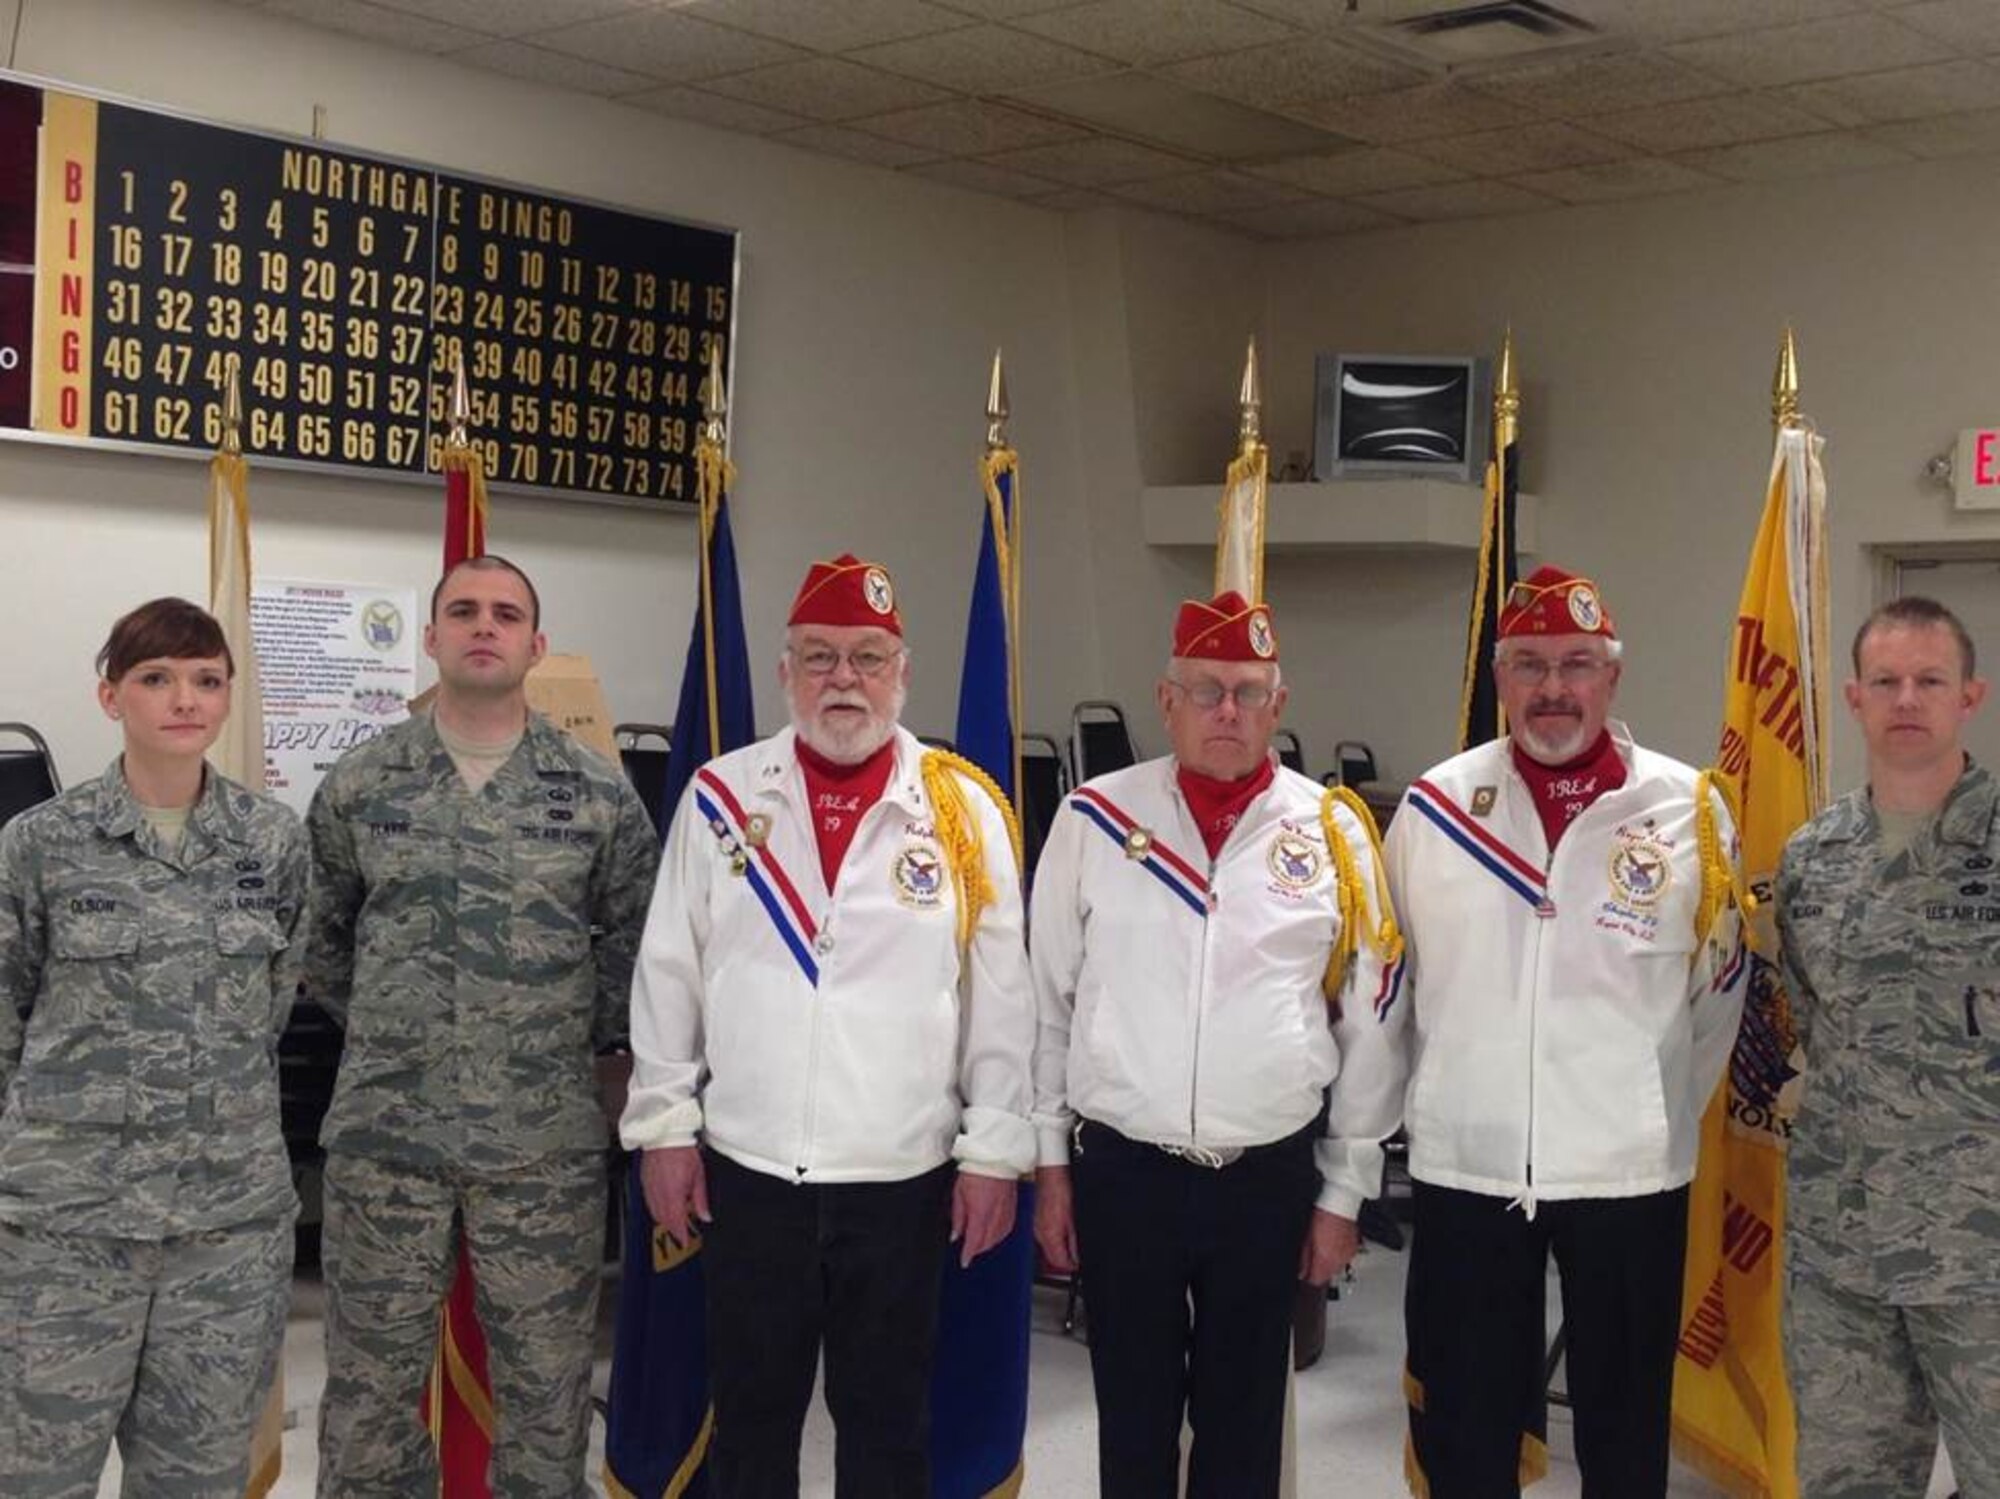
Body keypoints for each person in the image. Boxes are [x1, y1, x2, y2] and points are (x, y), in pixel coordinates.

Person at [622, 553, 1034, 1499]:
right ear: (784, 671)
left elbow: (1000, 999)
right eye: (819, 657)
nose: (843, 679)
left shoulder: (963, 811)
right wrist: (663, 1130)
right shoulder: (722, 800)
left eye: (866, 657)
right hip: (749, 1170)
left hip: (901, 1178)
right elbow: (668, 976)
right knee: (751, 1422)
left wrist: (993, 1153)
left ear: (903, 671)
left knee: (888, 1429)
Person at [1029, 591, 1408, 1499]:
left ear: (1279, 706)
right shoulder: (1093, 819)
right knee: (1132, 1422)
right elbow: (1043, 1002)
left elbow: (1372, 1024)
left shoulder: (1333, 830)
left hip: (1265, 1176)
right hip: (1125, 1172)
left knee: (1244, 1434)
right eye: (1206, 690)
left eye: (1248, 691)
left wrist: (1344, 1191)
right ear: (1167, 700)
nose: (1227, 710)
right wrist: (1048, 1167)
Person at [1385, 564, 1748, 1497]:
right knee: (1465, 1428)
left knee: (1625, 1436)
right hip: (1470, 1166)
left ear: (1613, 678)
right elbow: (1396, 989)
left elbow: (1717, 996)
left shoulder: (1688, 809)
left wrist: (1647, 1108)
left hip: (1628, 1175)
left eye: (1578, 663)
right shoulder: (1432, 810)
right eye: (1531, 664)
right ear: (1500, 680)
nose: (1555, 687)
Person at [306, 555, 659, 1497]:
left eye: (506, 614)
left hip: (541, 1146)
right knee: (370, 1399)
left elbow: (637, 937)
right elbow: (322, 936)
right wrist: (403, 1027)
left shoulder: (594, 793)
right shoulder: (362, 781)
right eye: (462, 611)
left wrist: (565, 1041)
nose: (483, 626)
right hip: (389, 1140)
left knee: (546, 1397)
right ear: (430, 638)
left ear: (537, 646)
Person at [0, 597, 306, 1498]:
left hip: (225, 1229)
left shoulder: (272, 842)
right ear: (110, 696)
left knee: (196, 1477)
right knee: (37, 1471)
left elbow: (271, 1009)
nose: (186, 698)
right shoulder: (40, 844)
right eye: (157, 677)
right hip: (69, 1226)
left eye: (207, 679)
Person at [1777, 595, 1999, 1499]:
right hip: (1842, 1254)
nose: (1908, 697)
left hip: (1983, 1251)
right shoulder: (1810, 856)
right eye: (1886, 681)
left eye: (1930, 679)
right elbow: (1811, 1020)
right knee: (1849, 1483)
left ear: (1970, 696)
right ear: (1855, 698)